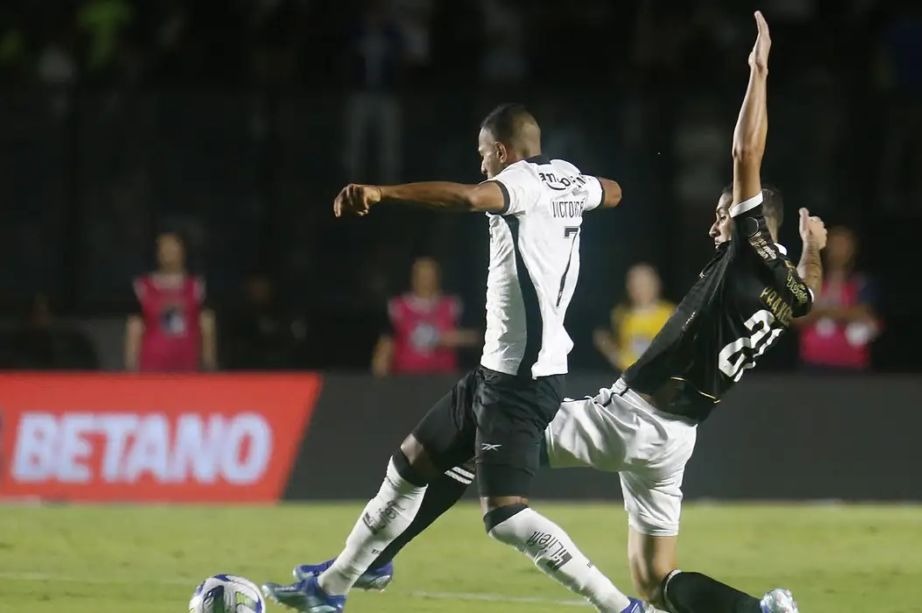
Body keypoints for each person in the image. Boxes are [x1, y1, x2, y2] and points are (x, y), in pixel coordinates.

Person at [293, 13, 825, 613]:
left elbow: (744, 149)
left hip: (630, 418)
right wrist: (813, 253)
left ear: (755, 220)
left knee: (483, 443)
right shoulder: (789, 288)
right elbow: (804, 293)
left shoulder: (746, 247)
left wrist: (758, 72)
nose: (717, 221)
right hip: (678, 440)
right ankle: (759, 611)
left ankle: (375, 562)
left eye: (726, 211)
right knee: (657, 579)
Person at [262, 104, 656, 613]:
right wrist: (582, 190)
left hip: (523, 380)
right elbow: (616, 191)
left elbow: (469, 198)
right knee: (408, 466)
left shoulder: (520, 183)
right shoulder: (567, 179)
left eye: (482, 155)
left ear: (499, 151)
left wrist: (384, 193)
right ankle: (334, 586)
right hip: (496, 370)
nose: (481, 166)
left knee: (508, 518)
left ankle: (621, 608)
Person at [371, 256, 479, 377]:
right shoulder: (398, 308)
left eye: (429, 275)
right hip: (406, 380)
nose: (425, 280)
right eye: (421, 276)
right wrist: (380, 380)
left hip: (444, 379)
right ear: (413, 277)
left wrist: (446, 338)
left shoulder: (453, 306)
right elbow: (385, 346)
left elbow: (475, 337)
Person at [124, 231, 216, 372]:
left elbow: (207, 324)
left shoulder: (198, 287)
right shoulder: (142, 287)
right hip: (151, 366)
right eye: (163, 248)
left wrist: (209, 363)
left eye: (172, 247)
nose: (168, 252)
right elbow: (134, 327)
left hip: (188, 365)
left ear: (183, 251)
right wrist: (130, 366)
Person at [795, 225, 880, 372]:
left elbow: (863, 314)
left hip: (851, 365)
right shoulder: (810, 280)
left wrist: (823, 311)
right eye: (835, 244)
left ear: (853, 249)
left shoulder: (861, 282)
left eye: (844, 245)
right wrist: (838, 312)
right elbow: (797, 318)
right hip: (813, 364)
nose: (838, 251)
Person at [593, 263, 675, 371]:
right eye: (635, 284)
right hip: (626, 379)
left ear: (657, 284)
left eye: (645, 283)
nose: (640, 289)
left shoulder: (671, 314)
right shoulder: (619, 314)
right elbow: (611, 344)